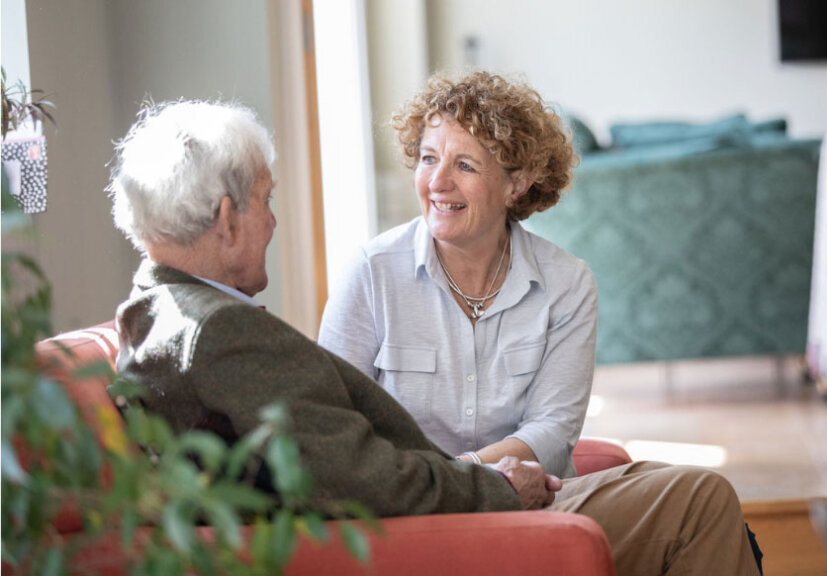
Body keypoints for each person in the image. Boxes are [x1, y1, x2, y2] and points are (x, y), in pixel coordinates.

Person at [109, 99, 762, 575]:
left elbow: (344, 456)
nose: (275, 222)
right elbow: (362, 478)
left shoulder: (169, 315)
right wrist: (495, 485)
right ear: (227, 220)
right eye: (266, 200)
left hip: (445, 503)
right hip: (433, 527)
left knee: (680, 495)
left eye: (464, 165)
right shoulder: (223, 329)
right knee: (699, 500)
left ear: (516, 183)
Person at [318, 71, 594, 478]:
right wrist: (451, 483)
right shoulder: (370, 273)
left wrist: (463, 473)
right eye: (428, 158)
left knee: (688, 487)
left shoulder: (567, 283)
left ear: (516, 184)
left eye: (464, 165)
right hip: (408, 502)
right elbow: (332, 420)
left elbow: (553, 430)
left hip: (533, 501)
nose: (437, 182)